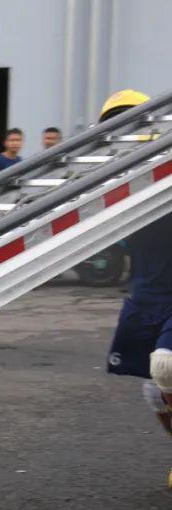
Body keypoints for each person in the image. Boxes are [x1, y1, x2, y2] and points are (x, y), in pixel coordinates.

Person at [100, 90, 172, 464]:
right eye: (116, 125)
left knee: (167, 365)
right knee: (152, 391)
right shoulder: (116, 186)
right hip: (146, 297)